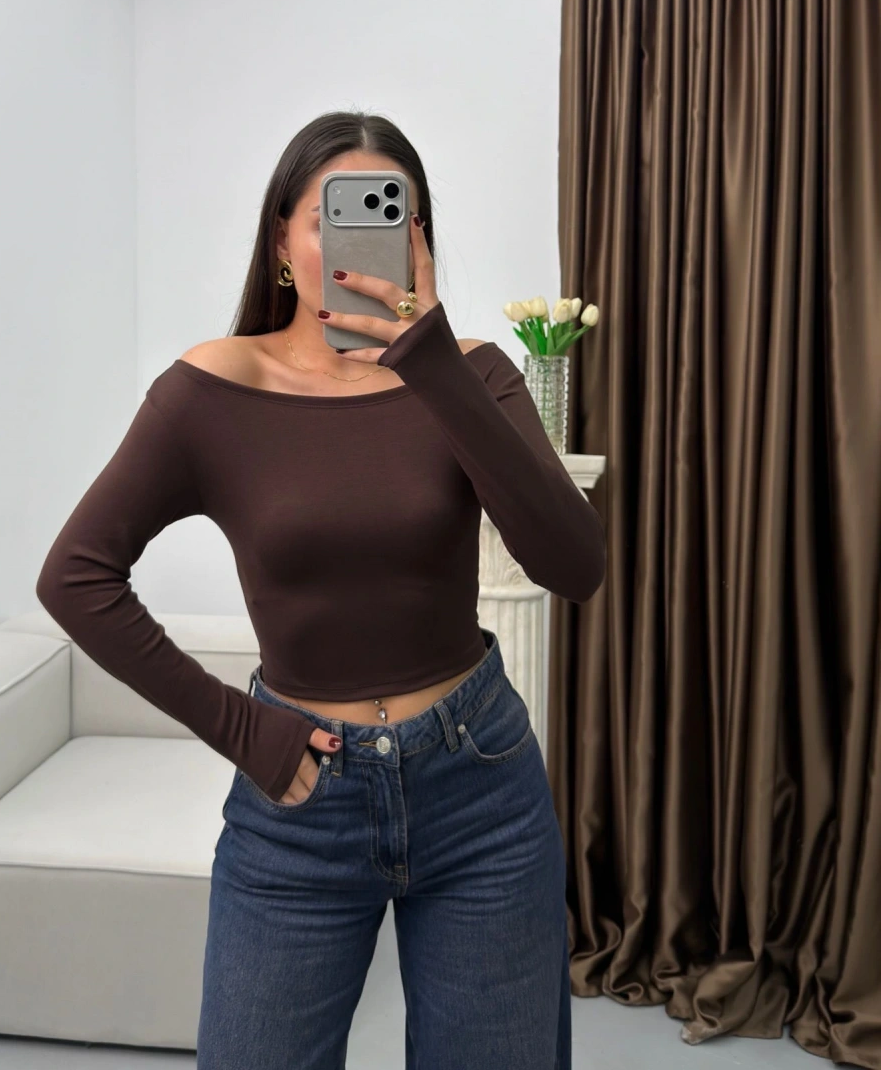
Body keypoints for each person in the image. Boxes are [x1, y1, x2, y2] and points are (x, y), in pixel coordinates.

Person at [35, 110, 606, 1070]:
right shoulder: (210, 391)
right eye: (334, 214)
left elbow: (573, 564)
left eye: (396, 215)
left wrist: (430, 363)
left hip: (481, 789)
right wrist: (240, 727)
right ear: (282, 245)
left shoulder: (474, 373)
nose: (366, 238)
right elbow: (76, 575)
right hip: (298, 812)